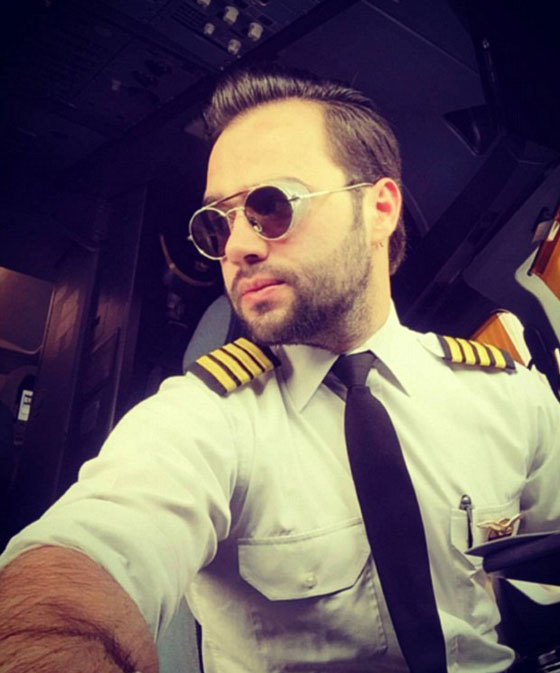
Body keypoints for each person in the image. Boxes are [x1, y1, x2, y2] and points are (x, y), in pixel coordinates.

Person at [0, 64, 559, 673]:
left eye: (271, 206)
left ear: (380, 208)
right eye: (218, 223)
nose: (237, 246)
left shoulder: (507, 396)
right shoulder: (202, 420)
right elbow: (86, 564)